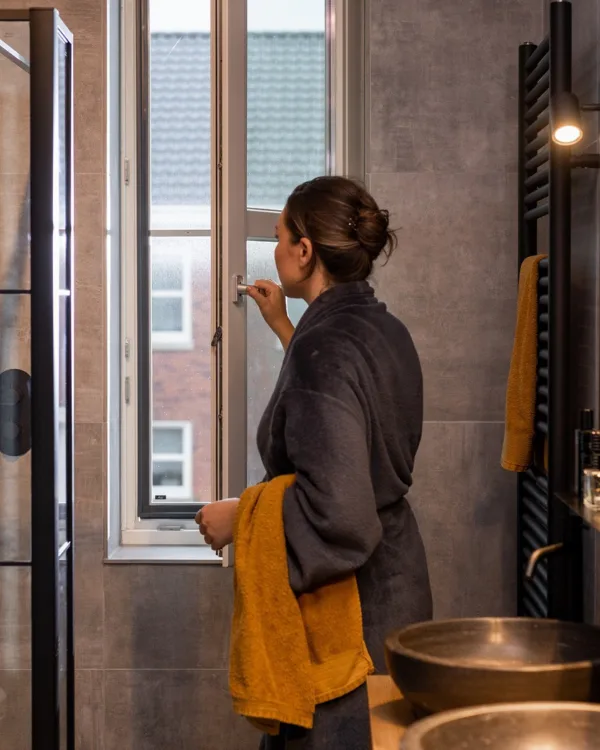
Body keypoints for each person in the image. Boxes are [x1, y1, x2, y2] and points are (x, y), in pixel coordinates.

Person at [197, 176, 433, 749]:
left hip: (349, 623)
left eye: (279, 237)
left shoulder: (323, 348)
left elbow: (341, 516)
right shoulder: (383, 329)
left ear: (304, 251)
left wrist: (242, 517)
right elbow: (341, 404)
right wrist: (285, 327)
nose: (274, 250)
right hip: (398, 592)